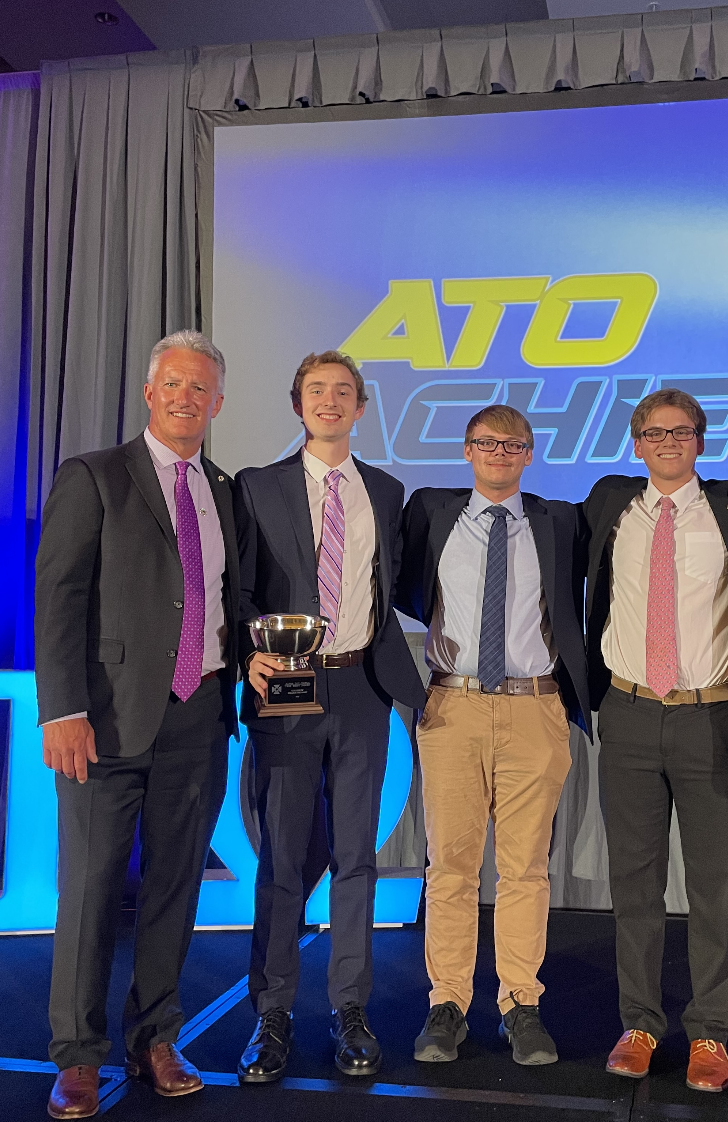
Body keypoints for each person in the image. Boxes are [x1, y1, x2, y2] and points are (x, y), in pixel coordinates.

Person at [35, 331, 239, 1119]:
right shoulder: (95, 475)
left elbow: (221, 598)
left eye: (202, 390)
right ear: (150, 392)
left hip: (198, 717)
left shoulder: (221, 487)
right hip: (105, 722)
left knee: (173, 889)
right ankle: (77, 1056)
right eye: (175, 386)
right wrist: (64, 708)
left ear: (217, 404)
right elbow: (59, 598)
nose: (188, 399)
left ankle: (155, 1037)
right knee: (88, 890)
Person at [582, 388, 728, 1093]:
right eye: (653, 431)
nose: (667, 441)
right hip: (630, 714)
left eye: (681, 431)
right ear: (634, 443)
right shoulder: (611, 507)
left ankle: (711, 1033)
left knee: (713, 886)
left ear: (700, 440)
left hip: (711, 718)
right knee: (633, 884)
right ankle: (639, 1023)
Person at [233, 350, 425, 1084]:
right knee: (283, 858)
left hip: (360, 690)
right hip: (286, 685)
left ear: (361, 406)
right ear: (297, 405)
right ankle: (272, 1015)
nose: (330, 401)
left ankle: (351, 1010)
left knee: (356, 857)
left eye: (344, 391)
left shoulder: (385, 488)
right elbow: (239, 589)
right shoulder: (258, 486)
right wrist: (250, 649)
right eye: (317, 390)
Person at [394, 405, 589, 1066]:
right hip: (453, 705)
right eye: (487, 442)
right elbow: (387, 587)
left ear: (530, 453)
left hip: (535, 707)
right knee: (448, 864)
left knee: (524, 868)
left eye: (513, 444)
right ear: (467, 450)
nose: (500, 452)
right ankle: (446, 1004)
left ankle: (519, 1005)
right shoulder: (431, 513)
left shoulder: (560, 520)